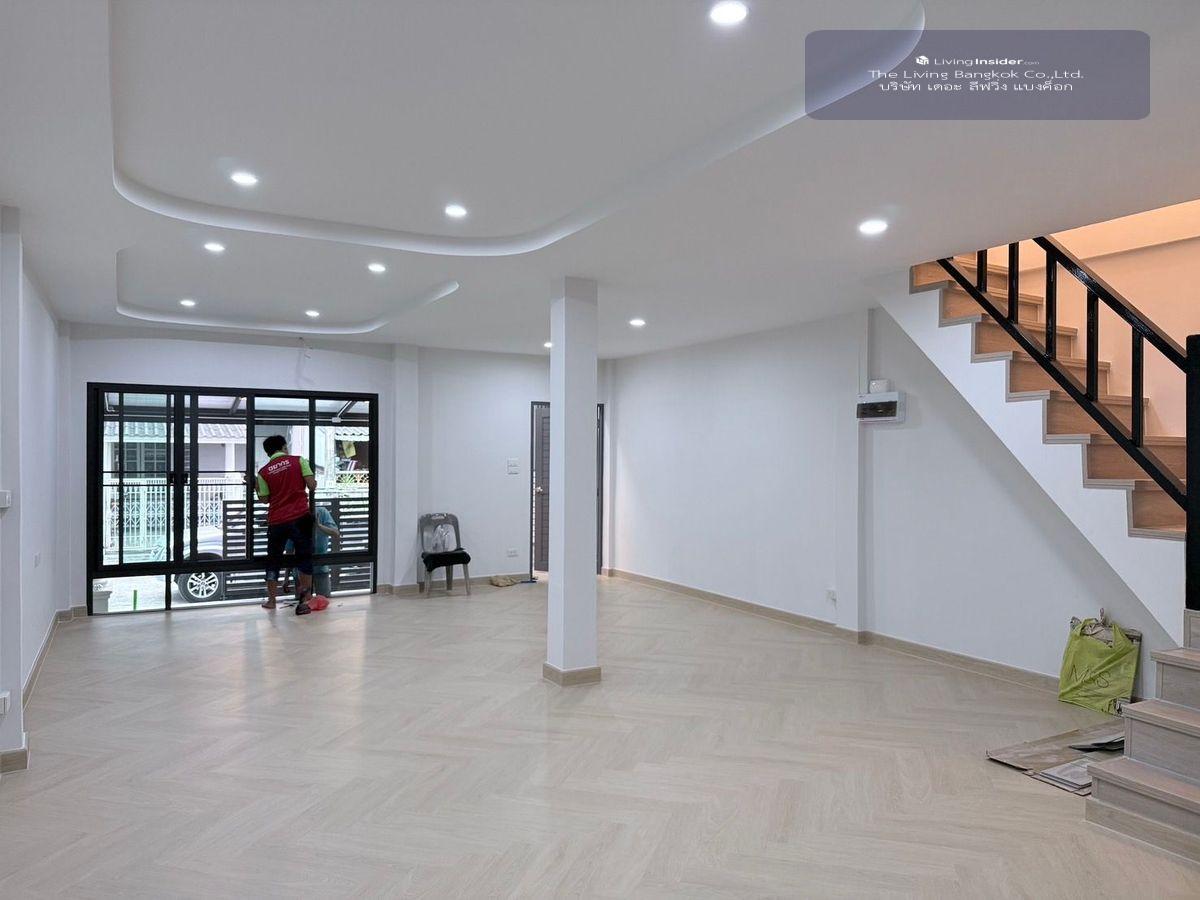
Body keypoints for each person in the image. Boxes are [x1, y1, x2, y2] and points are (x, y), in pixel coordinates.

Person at [256, 434, 317, 615]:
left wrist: (256, 487)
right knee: (304, 558)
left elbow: (264, 499)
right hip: (300, 517)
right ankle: (304, 601)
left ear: (268, 453)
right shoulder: (298, 461)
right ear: (284, 447)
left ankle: (271, 601)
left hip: (277, 521)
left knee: (273, 560)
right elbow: (311, 485)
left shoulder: (263, 472)